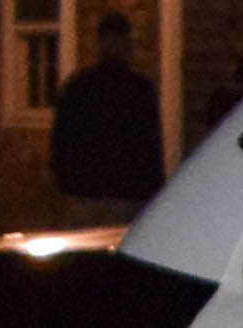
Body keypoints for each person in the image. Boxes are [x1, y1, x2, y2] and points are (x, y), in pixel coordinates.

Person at [49, 12, 163, 225]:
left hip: (114, 194)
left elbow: (149, 144)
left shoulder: (82, 86)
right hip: (96, 193)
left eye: (117, 39)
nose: (114, 45)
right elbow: (61, 140)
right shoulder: (83, 87)